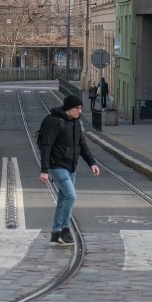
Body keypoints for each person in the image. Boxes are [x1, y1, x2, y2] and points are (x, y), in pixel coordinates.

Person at [38, 95, 100, 246]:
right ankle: (65, 228)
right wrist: (44, 170)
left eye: (80, 108)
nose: (79, 111)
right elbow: (46, 146)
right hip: (57, 166)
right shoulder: (55, 122)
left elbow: (82, 145)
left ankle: (56, 233)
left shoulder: (75, 123)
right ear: (68, 108)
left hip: (71, 166)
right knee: (71, 196)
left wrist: (92, 163)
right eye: (77, 108)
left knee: (63, 199)